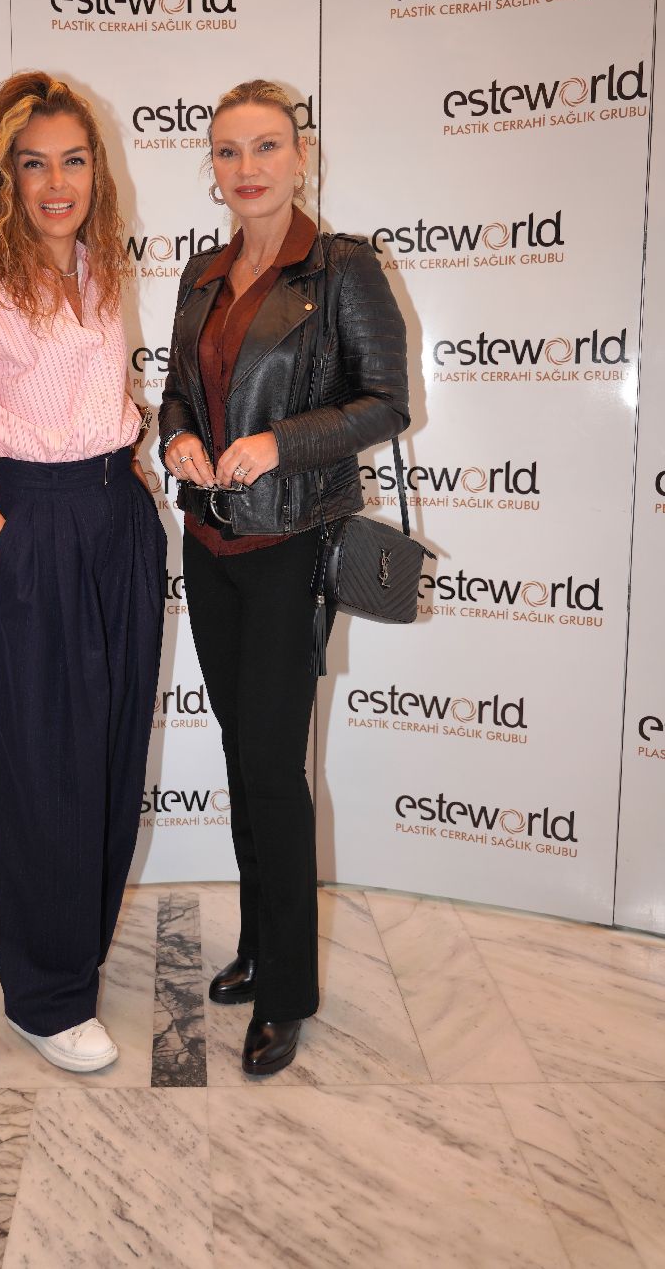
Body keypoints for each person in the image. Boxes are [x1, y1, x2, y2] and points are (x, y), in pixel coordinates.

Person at [0, 72, 166, 1074]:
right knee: (47, 761)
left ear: (97, 170)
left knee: (111, 748)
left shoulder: (102, 270)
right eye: (35, 164)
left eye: (74, 161)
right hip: (37, 527)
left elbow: (97, 395)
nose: (58, 183)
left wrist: (130, 468)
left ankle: (75, 952)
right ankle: (43, 998)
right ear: (4, 177)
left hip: (118, 519)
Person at [158, 79, 409, 1076]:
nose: (247, 168)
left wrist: (279, 442)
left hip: (292, 544)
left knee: (271, 764)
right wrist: (177, 438)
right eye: (228, 151)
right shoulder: (201, 274)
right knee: (240, 752)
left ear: (301, 157)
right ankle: (259, 944)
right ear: (212, 168)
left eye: (266, 146)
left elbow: (385, 402)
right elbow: (175, 392)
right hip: (209, 542)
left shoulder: (342, 268)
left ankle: (288, 991)